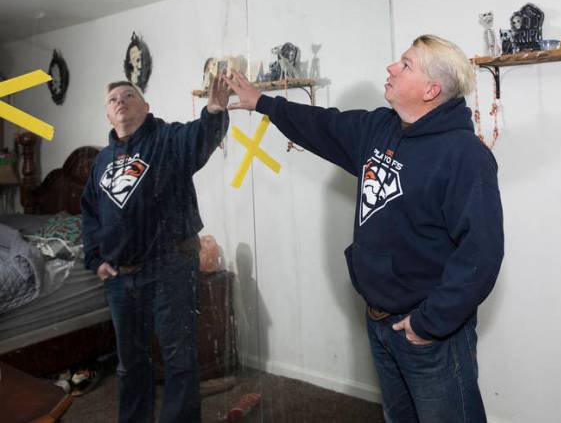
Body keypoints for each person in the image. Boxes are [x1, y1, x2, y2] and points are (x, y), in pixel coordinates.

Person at [223, 34, 505, 422]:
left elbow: (481, 253)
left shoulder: (466, 156)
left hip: (429, 333)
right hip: (379, 322)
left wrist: (427, 324)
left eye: (406, 65)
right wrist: (263, 103)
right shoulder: (380, 128)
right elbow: (322, 125)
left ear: (431, 89)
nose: (391, 68)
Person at [81, 78, 229, 423]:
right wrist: (95, 258)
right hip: (120, 278)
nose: (121, 102)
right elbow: (88, 212)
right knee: (130, 363)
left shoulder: (166, 139)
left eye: (129, 96)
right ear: (108, 114)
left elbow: (199, 140)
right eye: (114, 99)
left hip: (170, 267)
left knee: (179, 360)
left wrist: (214, 111)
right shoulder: (101, 161)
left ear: (145, 107)